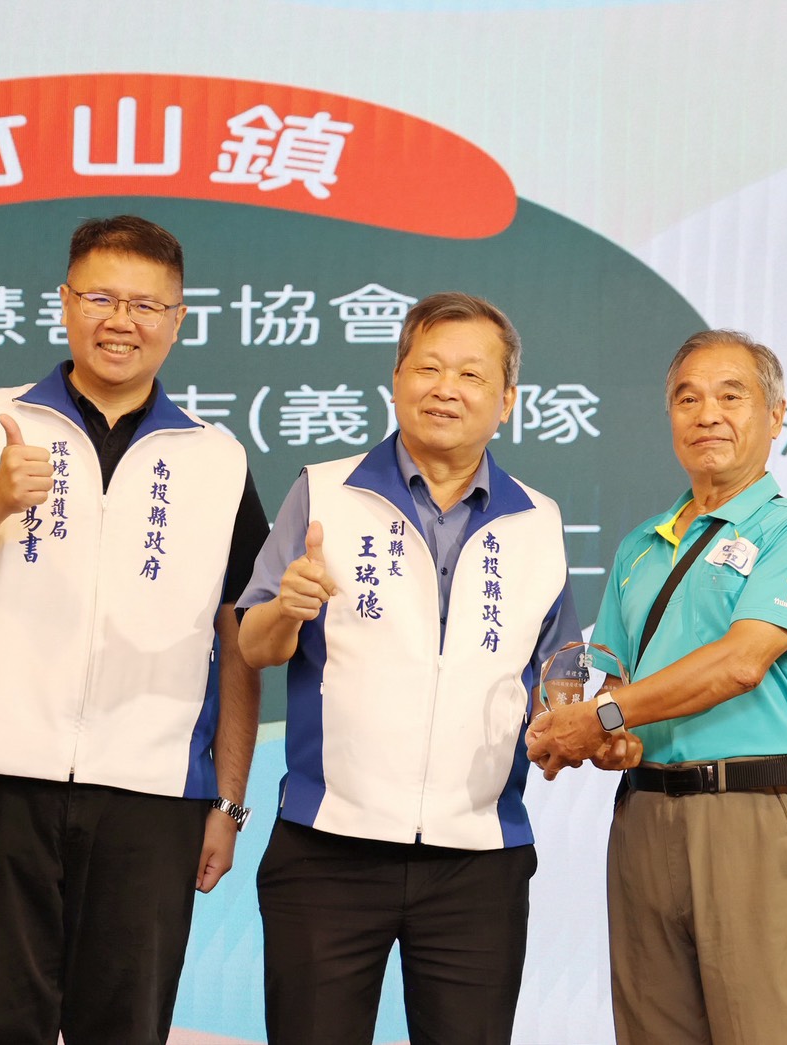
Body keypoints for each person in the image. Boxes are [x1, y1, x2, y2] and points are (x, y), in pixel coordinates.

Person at [0, 215, 268, 1045]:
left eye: (146, 305)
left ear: (178, 319)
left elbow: (238, 637)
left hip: (152, 792)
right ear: (64, 303)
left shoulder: (217, 458)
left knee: (126, 1027)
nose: (121, 321)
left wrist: (227, 801)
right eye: (100, 298)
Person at [237, 291, 580, 1045]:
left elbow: (558, 675)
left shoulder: (540, 521)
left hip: (478, 859)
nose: (445, 388)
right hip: (330, 843)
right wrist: (287, 607)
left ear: (507, 400)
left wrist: (571, 724)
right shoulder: (324, 491)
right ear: (395, 381)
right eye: (427, 368)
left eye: (470, 374)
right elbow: (254, 645)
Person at [527, 329, 787, 1045]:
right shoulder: (641, 545)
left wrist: (604, 715)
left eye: (731, 396)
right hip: (644, 817)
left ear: (775, 415)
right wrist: (606, 740)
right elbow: (620, 691)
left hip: (751, 811)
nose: (708, 415)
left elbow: (740, 663)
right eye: (687, 398)